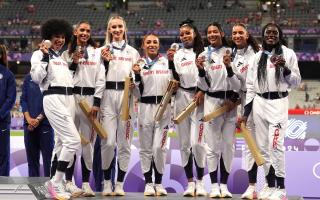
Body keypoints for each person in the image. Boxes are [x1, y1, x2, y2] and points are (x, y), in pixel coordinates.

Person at [242, 23, 301, 199]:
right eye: (268, 32)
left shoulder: (288, 54)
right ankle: (269, 185)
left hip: (278, 102)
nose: (271, 35)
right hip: (259, 103)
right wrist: (246, 113)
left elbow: (296, 82)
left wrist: (286, 69)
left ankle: (281, 188)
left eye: (275, 32)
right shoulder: (257, 57)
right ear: (263, 35)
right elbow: (251, 87)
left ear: (279, 35)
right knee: (263, 148)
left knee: (276, 145)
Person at [30, 18, 78, 200]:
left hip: (68, 98)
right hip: (53, 98)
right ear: (48, 37)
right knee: (73, 140)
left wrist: (73, 65)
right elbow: (36, 77)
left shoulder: (60, 57)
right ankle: (55, 182)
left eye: (63, 37)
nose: (60, 40)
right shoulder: (39, 54)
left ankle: (54, 184)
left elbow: (66, 80)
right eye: (56, 37)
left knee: (61, 143)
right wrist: (43, 55)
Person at [61, 20, 105, 197]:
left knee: (88, 144)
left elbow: (100, 79)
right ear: (76, 32)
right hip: (71, 98)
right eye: (82, 30)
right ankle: (69, 182)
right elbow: (63, 77)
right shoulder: (66, 53)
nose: (85, 33)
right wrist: (73, 63)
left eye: (88, 30)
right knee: (70, 142)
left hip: (89, 101)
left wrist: (96, 102)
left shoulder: (96, 53)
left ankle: (86, 184)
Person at [196, 22, 241, 198]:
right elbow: (203, 85)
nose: (212, 34)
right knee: (212, 147)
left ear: (222, 33)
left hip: (230, 103)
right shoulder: (203, 55)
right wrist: (200, 71)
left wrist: (234, 98)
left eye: (216, 31)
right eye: (209, 32)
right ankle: (214, 186)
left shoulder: (232, 52)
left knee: (229, 146)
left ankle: (224, 185)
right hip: (212, 102)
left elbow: (238, 81)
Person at [100, 16, 140, 196]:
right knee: (108, 143)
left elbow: (138, 77)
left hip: (127, 97)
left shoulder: (133, 52)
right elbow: (98, 76)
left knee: (124, 144)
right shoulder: (102, 51)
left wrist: (135, 84)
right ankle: (107, 182)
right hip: (107, 96)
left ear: (124, 29)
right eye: (113, 27)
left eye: (119, 27)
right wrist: (106, 63)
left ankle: (119, 184)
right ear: (109, 30)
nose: (116, 30)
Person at [167, 19, 207, 197]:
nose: (184, 36)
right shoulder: (177, 54)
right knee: (184, 145)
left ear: (195, 33)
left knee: (197, 143)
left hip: (200, 98)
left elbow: (209, 75)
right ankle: (190, 183)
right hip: (182, 98)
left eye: (187, 33)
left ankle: (200, 182)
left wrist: (203, 91)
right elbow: (174, 78)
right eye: (182, 34)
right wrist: (169, 64)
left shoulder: (204, 52)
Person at [132, 34, 171, 196]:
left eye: (155, 42)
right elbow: (135, 90)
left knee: (159, 147)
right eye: (148, 42)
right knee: (146, 148)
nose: (152, 44)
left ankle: (159, 183)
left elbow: (174, 85)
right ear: (143, 45)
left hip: (164, 108)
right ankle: (148, 183)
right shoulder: (139, 64)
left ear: (159, 44)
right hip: (145, 107)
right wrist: (135, 75)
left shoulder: (167, 63)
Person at [229, 23, 260, 199]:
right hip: (243, 101)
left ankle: (274, 186)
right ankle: (252, 187)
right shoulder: (231, 55)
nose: (237, 35)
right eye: (234, 33)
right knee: (249, 145)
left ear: (247, 35)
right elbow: (236, 84)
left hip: (261, 101)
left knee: (265, 144)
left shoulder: (257, 52)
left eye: (241, 32)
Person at [20, 73, 54, 177]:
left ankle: (51, 189)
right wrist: (28, 118)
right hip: (29, 125)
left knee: (48, 161)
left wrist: (38, 119)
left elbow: (51, 101)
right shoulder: (28, 78)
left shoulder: (51, 77)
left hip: (45, 125)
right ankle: (33, 189)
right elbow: (23, 99)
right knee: (32, 162)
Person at [0, 44, 16, 176]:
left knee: (3, 153)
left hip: (2, 121)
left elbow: (11, 99)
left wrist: (0, 114)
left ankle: (3, 183)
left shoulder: (8, 75)